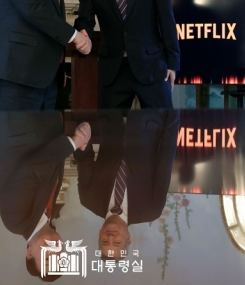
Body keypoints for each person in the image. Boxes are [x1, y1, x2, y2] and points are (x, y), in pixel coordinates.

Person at [0, 110, 91, 280]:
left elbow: (31, 171)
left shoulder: (15, 221)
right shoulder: (47, 213)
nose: (53, 251)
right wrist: (82, 135)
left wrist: (73, 143)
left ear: (29, 253)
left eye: (46, 258)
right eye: (59, 257)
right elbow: (51, 163)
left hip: (18, 119)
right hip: (45, 118)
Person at [74, 109, 179, 258]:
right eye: (116, 243)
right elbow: (165, 161)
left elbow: (84, 158)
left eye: (104, 241)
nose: (110, 237)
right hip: (149, 119)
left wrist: (81, 130)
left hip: (110, 115)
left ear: (99, 234)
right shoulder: (151, 210)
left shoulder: (88, 199)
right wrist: (173, 117)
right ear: (128, 238)